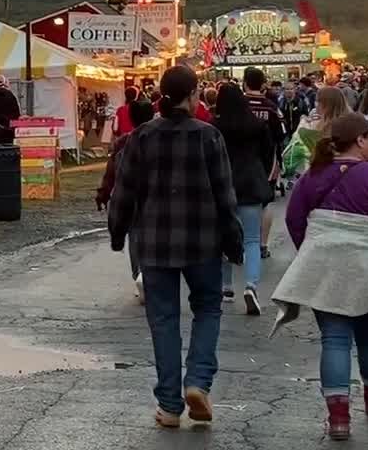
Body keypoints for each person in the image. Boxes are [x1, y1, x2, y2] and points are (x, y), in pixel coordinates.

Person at [109, 65, 239, 429]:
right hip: (202, 241)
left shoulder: (142, 138)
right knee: (208, 309)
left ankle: (169, 405)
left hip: (154, 243)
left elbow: (125, 192)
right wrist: (234, 241)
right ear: (194, 94)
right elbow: (225, 196)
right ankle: (197, 381)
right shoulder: (209, 137)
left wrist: (118, 234)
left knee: (164, 320)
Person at [272, 114, 368, 442]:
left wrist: (311, 250)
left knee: (334, 339)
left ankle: (338, 418)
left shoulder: (313, 176)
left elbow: (295, 218)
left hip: (325, 267)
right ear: (360, 140)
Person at [212, 84, 274, 315]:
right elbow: (268, 154)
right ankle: (251, 286)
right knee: (251, 239)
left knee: (224, 237)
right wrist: (263, 176)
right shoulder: (257, 126)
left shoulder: (214, 126)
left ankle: (226, 287)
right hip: (251, 183)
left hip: (223, 184)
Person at [96, 99, 157, 302]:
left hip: (129, 194)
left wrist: (103, 194)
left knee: (134, 235)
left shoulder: (123, 142)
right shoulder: (160, 139)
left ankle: (138, 273)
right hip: (155, 195)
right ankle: (150, 274)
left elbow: (111, 173)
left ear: (130, 117)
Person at [243, 67, 285, 259]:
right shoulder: (271, 107)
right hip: (267, 160)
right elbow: (281, 134)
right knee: (266, 202)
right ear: (262, 85)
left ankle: (243, 241)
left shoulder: (238, 106)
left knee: (239, 201)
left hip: (240, 159)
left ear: (244, 82)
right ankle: (262, 244)